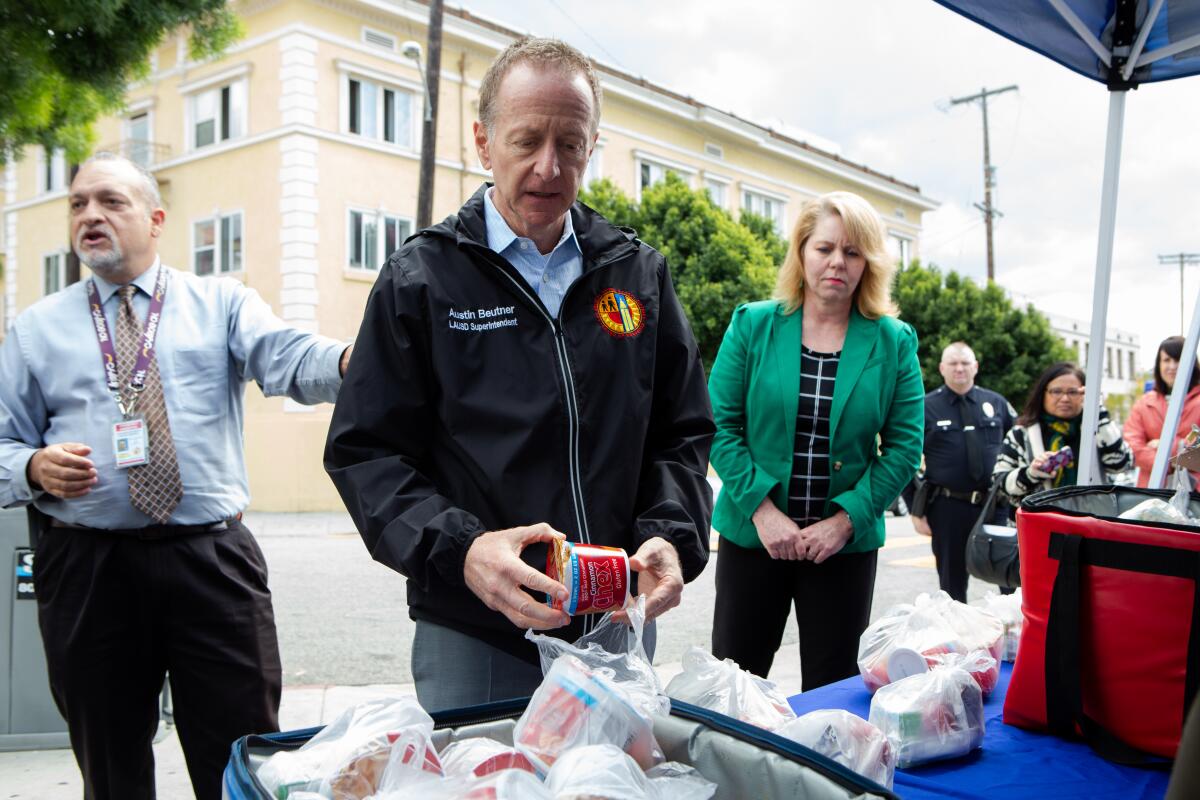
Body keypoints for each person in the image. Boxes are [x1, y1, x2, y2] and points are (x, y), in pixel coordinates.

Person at [324, 37, 714, 711]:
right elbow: (367, 453)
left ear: (594, 147)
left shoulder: (636, 273)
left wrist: (667, 534)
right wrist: (463, 550)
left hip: (617, 624)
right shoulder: (422, 277)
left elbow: (680, 432)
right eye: (526, 140)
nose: (548, 166)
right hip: (479, 633)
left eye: (571, 144)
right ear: (482, 141)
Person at [0, 152, 351, 800]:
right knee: (110, 762)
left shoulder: (217, 303)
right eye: (78, 203)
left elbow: (288, 359)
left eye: (111, 201)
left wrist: (356, 359)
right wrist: (30, 465)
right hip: (86, 569)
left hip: (208, 559)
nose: (90, 215)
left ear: (156, 218)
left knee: (241, 756)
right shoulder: (35, 331)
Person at [706, 191, 923, 689]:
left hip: (842, 549)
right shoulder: (753, 324)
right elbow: (719, 426)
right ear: (802, 251)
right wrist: (763, 511)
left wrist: (844, 523)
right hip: (755, 537)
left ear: (869, 262)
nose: (837, 263)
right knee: (736, 682)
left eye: (852, 252)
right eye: (824, 248)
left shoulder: (894, 341)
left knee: (832, 690)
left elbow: (904, 447)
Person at [909, 342, 1017, 602]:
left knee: (1010, 578)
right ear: (942, 368)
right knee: (952, 584)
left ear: (975, 367)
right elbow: (904, 458)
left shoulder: (996, 403)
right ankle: (958, 640)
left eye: (965, 363)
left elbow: (1018, 446)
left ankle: (1016, 636)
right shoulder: (924, 407)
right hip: (948, 507)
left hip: (994, 505)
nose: (960, 369)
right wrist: (915, 508)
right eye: (953, 363)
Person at [993, 362, 1132, 501]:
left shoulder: (1098, 430)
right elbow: (998, 483)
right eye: (1056, 391)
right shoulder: (1021, 434)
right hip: (1038, 520)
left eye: (1073, 392)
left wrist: (1098, 413)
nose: (1065, 399)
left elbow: (1121, 465)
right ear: (1043, 394)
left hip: (1091, 518)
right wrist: (1030, 473)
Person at [1124, 336, 1200, 488]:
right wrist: (1169, 462)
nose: (1172, 366)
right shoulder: (1144, 403)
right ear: (1158, 364)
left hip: (1195, 493)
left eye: (1178, 360)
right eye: (1166, 360)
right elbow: (1132, 446)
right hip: (1152, 492)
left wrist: (1163, 445)